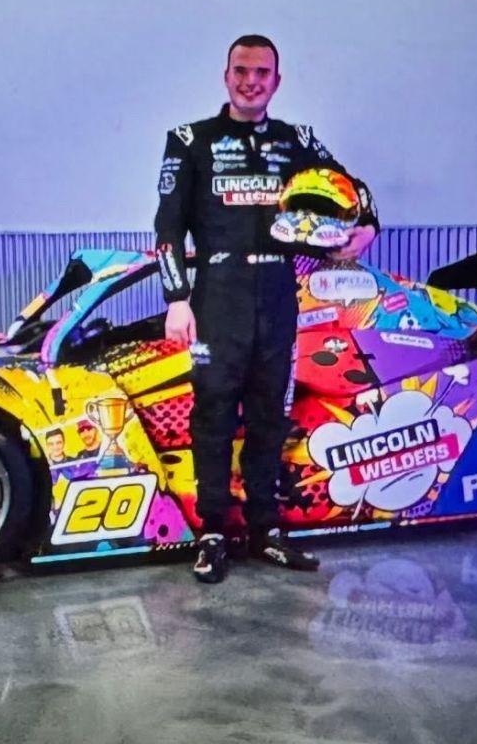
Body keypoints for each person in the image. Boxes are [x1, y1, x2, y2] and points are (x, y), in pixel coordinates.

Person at [154, 34, 379, 583]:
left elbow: (352, 189)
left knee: (269, 416)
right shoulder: (190, 140)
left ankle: (266, 529)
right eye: (241, 70)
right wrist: (177, 299)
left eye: (262, 73)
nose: (250, 81)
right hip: (216, 294)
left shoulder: (296, 139)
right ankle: (211, 532)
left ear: (277, 80)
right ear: (225, 74)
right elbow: (167, 226)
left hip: (279, 292)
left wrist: (369, 225)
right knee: (212, 415)